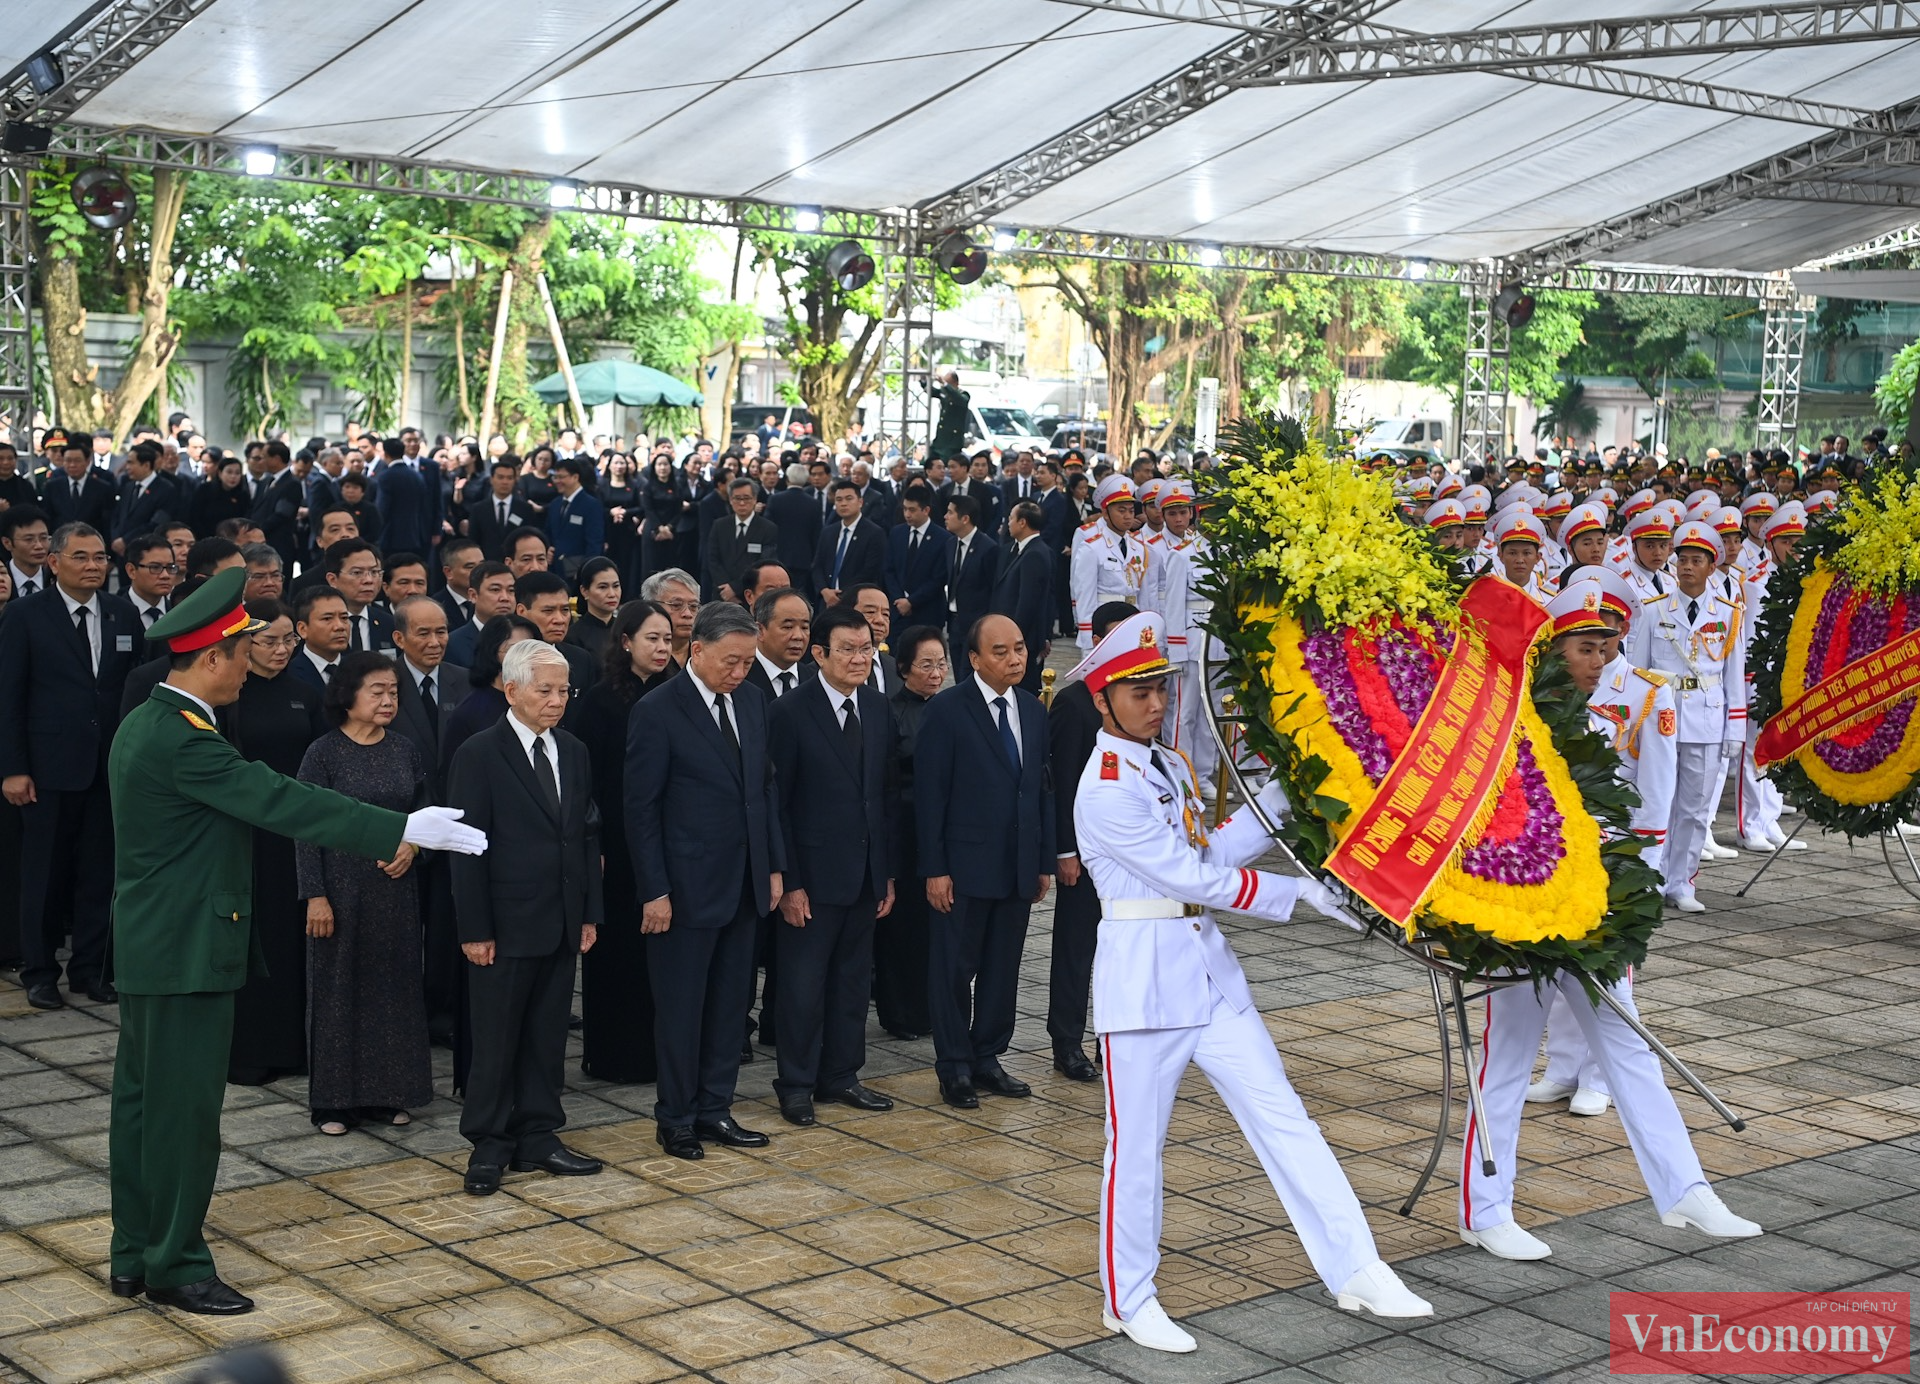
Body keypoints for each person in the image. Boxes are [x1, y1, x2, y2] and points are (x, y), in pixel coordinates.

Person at [107, 567, 484, 1314]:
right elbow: (278, 797)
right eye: (245, 652)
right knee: (181, 1115)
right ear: (213, 656)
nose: (253, 666)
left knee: (144, 1107)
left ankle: (134, 1251)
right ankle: (176, 1264)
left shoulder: (151, 720)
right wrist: (400, 826)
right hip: (185, 950)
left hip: (155, 945)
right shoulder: (185, 741)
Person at [1064, 608, 1430, 1353]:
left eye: (1160, 688)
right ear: (1102, 701)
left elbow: (1214, 842)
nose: (1157, 703)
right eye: (1138, 692)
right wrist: (1294, 894)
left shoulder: (1165, 763)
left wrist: (1290, 790)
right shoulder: (1104, 788)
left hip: (1208, 972)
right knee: (1135, 1150)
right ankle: (1129, 1299)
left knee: (1287, 1119)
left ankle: (1356, 1265)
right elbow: (1186, 872)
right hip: (1145, 987)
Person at [1461, 581, 1761, 1263]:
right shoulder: (1513, 708)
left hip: (1600, 900)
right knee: (1506, 1057)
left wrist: (1636, 894)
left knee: (1627, 1044)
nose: (1596, 659)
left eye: (1604, 646)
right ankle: (1485, 1210)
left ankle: (1685, 1188)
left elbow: (1650, 806)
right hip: (1522, 901)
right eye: (1582, 647)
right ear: (1552, 647)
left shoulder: (1636, 696)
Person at [625, 601, 785, 1159]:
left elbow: (763, 791)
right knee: (682, 1009)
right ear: (696, 650)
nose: (739, 673)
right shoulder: (658, 710)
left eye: (747, 663)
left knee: (728, 1006)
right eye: (730, 663)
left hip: (744, 882)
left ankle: (716, 1108)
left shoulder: (754, 702)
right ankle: (677, 1117)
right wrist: (655, 890)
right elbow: (640, 810)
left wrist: (772, 866)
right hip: (685, 889)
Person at [447, 640, 603, 1195]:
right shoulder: (480, 753)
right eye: (546, 690)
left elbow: (585, 836)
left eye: (564, 690)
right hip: (503, 924)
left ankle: (539, 1134)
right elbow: (466, 847)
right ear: (511, 690)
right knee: (496, 1039)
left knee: (545, 1036)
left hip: (561, 919)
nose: (557, 700)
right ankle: (489, 1142)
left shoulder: (576, 751)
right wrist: (474, 929)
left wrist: (589, 913)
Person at [766, 604, 900, 1127]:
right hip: (812, 878)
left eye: (866, 649)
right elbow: (779, 804)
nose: (859, 659)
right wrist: (791, 881)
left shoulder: (878, 706)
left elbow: (885, 796)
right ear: (819, 653)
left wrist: (885, 871)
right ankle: (796, 1083)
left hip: (865, 873)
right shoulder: (790, 712)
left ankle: (842, 1075)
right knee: (801, 986)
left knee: (850, 982)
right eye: (847, 649)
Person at [0, 522, 143, 1009]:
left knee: (99, 875)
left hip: (108, 769)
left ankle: (90, 969)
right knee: (43, 875)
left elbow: (130, 694)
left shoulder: (123, 615)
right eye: (81, 557)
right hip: (46, 769)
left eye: (100, 557)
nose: (92, 566)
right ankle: (39, 972)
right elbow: (9, 697)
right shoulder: (24, 616)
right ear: (54, 562)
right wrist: (13, 768)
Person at [915, 614, 1053, 1109]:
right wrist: (935, 868)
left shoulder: (1034, 710)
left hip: (1016, 866)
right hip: (962, 868)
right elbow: (930, 797)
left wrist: (1043, 860)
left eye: (1019, 648)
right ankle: (953, 1066)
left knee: (1002, 969)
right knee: (953, 970)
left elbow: (1041, 789)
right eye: (1001, 651)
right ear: (974, 659)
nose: (1014, 658)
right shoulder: (948, 711)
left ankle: (987, 1056)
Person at [297, 653, 433, 1135]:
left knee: (394, 990)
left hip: (394, 890)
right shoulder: (323, 753)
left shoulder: (403, 749)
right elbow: (306, 827)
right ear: (347, 695)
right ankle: (333, 1103)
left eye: (393, 691)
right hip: (339, 889)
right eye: (376, 691)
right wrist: (314, 894)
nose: (387, 699)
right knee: (337, 993)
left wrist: (413, 847)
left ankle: (389, 1093)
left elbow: (423, 814)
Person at [225, 600, 328, 1086]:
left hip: (297, 834)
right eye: (270, 641)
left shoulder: (307, 695)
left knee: (293, 942)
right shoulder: (229, 695)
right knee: (250, 938)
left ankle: (293, 1047)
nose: (283, 649)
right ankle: (247, 1051)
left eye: (291, 640)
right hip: (243, 833)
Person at [576, 600, 677, 1082]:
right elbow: (585, 783)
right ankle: (614, 1055)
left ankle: (662, 1054)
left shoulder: (679, 693)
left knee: (662, 953)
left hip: (668, 841)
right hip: (613, 844)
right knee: (616, 951)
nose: (661, 647)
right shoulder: (598, 702)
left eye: (667, 638)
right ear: (625, 641)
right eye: (651, 638)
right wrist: (590, 845)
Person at [1625, 520, 1746, 914]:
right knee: (1656, 802)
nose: (1688, 567)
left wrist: (1735, 730)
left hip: (1707, 721)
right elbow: (1638, 670)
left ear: (1713, 567)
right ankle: (1651, 877)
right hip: (1661, 719)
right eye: (1684, 560)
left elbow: (1733, 677)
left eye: (1697, 561)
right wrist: (1634, 725)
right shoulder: (1654, 609)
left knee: (1694, 809)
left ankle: (1681, 881)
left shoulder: (1728, 615)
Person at [1047, 601, 1138, 1083]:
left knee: (1121, 951)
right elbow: (1060, 781)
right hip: (1085, 853)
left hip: (1130, 853)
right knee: (1077, 950)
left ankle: (1113, 1041)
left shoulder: (1138, 696)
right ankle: (1066, 1042)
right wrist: (1065, 850)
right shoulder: (1076, 701)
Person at [440, 614, 541, 773]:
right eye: (513, 649)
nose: (524, 658)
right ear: (492, 652)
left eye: (530, 649)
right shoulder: (469, 712)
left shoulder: (544, 702)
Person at [1071, 476, 1157, 648]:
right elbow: (1085, 597)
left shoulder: (1140, 548)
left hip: (1133, 623)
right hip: (1104, 626)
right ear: (1105, 513)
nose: (1127, 516)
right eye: (1121, 510)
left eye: (1131, 511)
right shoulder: (1092, 548)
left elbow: (1146, 596)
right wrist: (1090, 639)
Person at [991, 499, 1054, 694]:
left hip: (1022, 641)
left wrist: (1012, 640)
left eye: (1011, 518)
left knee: (1022, 693)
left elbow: (1028, 603)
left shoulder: (1034, 553)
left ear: (1022, 522)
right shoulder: (1021, 550)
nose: (1007, 523)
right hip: (1016, 638)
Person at [884, 484, 951, 629]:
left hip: (927, 613)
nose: (907, 514)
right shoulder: (897, 533)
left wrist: (911, 601)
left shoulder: (943, 538)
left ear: (926, 510)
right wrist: (899, 599)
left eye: (912, 510)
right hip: (897, 611)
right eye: (905, 509)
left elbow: (938, 579)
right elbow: (889, 570)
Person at [705, 477, 780, 603]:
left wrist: (735, 588)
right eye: (737, 498)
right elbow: (713, 559)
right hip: (722, 593)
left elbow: (763, 563)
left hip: (750, 594)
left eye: (746, 498)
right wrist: (726, 589)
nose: (741, 503)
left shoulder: (768, 528)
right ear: (730, 500)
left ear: (755, 499)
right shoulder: (719, 525)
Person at [942, 494, 997, 664]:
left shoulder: (988, 548)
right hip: (954, 621)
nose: (945, 517)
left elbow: (993, 589)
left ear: (965, 518)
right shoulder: (951, 544)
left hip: (976, 623)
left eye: (950, 512)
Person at [813, 480, 884, 607]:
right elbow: (817, 565)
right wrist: (824, 591)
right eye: (839, 500)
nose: (843, 503)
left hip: (855, 601)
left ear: (860, 502)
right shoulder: (828, 531)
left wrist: (842, 595)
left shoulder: (874, 533)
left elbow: (869, 571)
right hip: (826, 601)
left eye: (849, 499)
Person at [767, 462, 824, 602]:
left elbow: (768, 529)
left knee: (777, 597)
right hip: (804, 559)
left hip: (778, 557)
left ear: (787, 479)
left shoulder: (775, 499)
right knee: (798, 597)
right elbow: (817, 536)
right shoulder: (814, 504)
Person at [446, 561, 517, 667]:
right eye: (495, 590)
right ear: (473, 595)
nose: (505, 598)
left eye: (511, 590)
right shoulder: (453, 644)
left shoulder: (526, 639)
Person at [546, 457, 606, 576]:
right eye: (555, 477)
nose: (557, 481)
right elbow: (548, 533)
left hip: (577, 568)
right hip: (554, 569)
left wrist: (588, 571)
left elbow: (594, 542)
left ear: (575, 477)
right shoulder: (555, 504)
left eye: (562, 477)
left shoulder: (591, 504)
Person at [469, 458, 533, 561]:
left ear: (515, 480)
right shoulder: (478, 509)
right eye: (500, 477)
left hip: (515, 562)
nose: (505, 482)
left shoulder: (525, 509)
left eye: (509, 478)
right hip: (486, 563)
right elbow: (473, 540)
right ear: (491, 479)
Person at [566, 556, 623, 665]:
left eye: (616, 586)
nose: (612, 594)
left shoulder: (626, 629)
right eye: (603, 587)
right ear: (584, 591)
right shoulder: (573, 637)